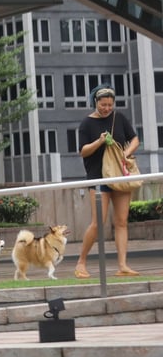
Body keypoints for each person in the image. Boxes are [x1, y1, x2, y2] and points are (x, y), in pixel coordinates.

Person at [74, 83, 140, 278]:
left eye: (110, 105)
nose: (107, 108)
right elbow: (83, 151)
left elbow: (135, 139)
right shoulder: (86, 123)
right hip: (98, 177)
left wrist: (126, 154)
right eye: (103, 104)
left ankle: (122, 265)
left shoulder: (118, 118)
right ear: (96, 102)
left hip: (119, 174)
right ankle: (81, 263)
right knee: (98, 223)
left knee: (121, 221)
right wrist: (100, 141)